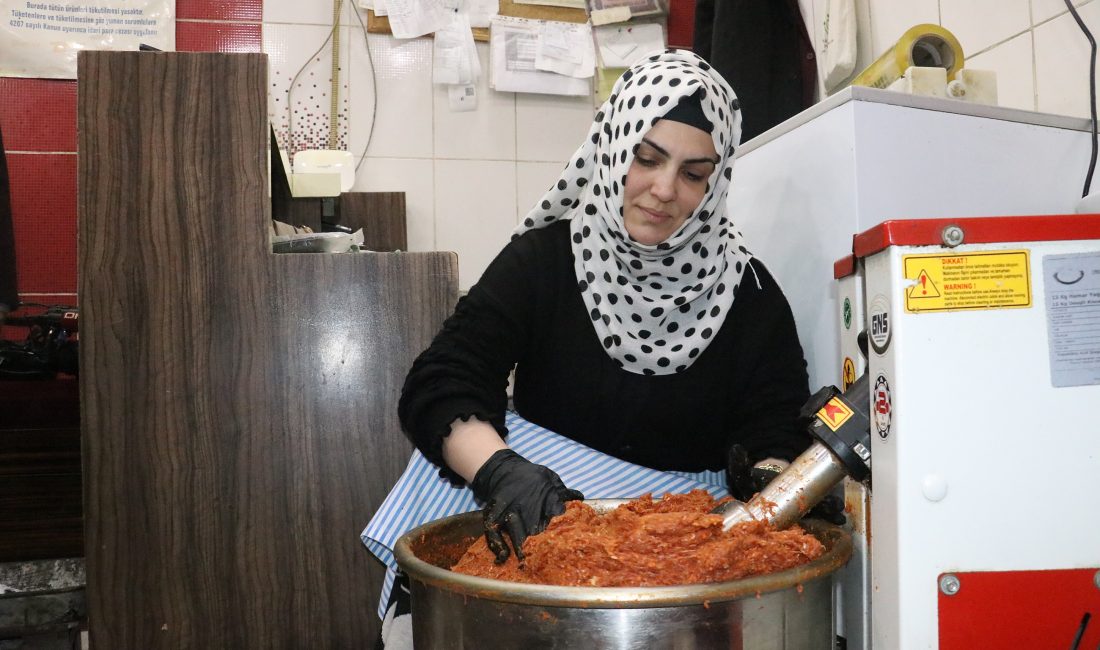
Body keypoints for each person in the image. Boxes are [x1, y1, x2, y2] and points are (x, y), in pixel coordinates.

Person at [396, 48, 814, 572]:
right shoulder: (546, 261)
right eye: (647, 157)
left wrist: (776, 476)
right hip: (539, 524)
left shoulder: (748, 295)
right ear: (614, 147)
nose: (664, 190)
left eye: (693, 173)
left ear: (715, 184)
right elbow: (442, 381)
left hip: (681, 552)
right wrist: (502, 473)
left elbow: (777, 427)